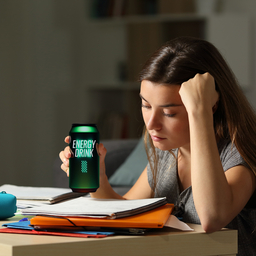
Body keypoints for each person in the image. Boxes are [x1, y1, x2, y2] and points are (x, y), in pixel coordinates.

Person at [59, 37, 256, 255]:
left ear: (210, 105)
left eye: (169, 113)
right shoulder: (169, 152)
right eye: (146, 105)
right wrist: (99, 179)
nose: (151, 124)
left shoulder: (239, 153)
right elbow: (124, 210)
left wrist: (200, 113)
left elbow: (212, 218)